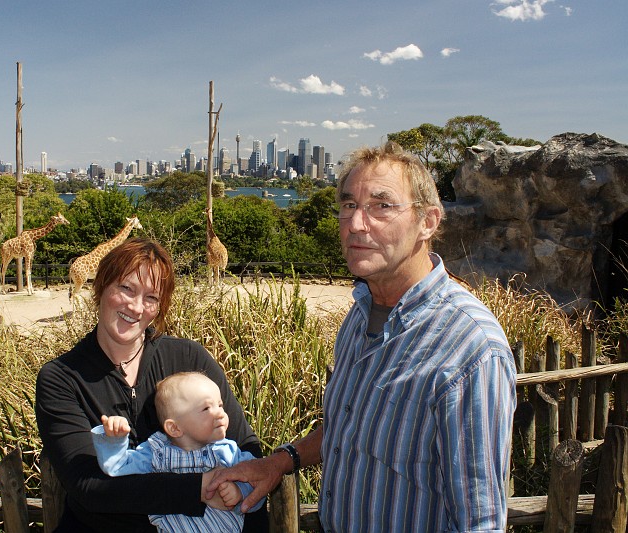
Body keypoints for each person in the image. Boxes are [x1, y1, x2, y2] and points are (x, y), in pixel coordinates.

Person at [207, 141, 517, 532]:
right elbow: (347, 427)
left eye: (381, 206)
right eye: (349, 205)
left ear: (429, 221)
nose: (355, 224)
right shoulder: (360, 314)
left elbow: (481, 521)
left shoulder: (470, 349)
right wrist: (278, 462)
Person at [35, 237, 268, 532]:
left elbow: (247, 452)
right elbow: (88, 485)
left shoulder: (188, 359)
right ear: (101, 286)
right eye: (126, 288)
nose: (135, 307)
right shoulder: (61, 378)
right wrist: (200, 488)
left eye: (151, 298)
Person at [91, 371, 265, 532]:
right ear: (174, 428)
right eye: (206, 408)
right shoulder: (155, 452)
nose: (220, 414)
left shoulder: (228, 452)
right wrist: (114, 440)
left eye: (220, 405)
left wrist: (240, 492)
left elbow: (258, 483)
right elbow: (118, 468)